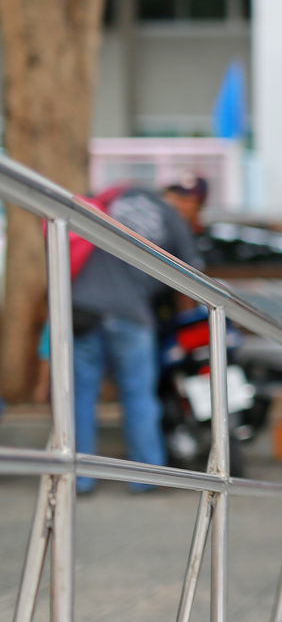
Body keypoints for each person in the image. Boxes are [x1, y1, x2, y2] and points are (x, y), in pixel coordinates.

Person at [71, 183, 203, 494]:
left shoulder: (111, 201)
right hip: (131, 313)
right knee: (138, 396)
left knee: (79, 395)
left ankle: (77, 475)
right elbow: (193, 276)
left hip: (82, 308)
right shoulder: (169, 217)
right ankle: (145, 474)